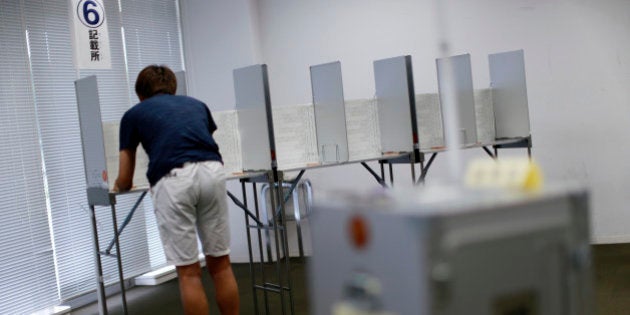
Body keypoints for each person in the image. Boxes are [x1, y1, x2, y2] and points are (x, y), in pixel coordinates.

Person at [114, 65, 239, 315]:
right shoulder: (196, 105)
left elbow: (125, 179)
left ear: (140, 94)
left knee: (189, 272)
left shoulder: (134, 114)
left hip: (174, 179)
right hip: (213, 172)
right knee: (221, 265)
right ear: (174, 88)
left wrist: (118, 186)